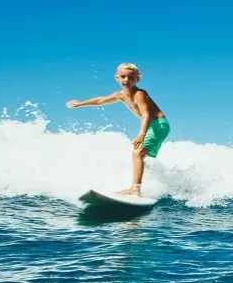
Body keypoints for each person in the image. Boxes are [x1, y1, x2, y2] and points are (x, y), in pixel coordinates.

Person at [66, 63, 171, 197]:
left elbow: (146, 114)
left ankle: (135, 189)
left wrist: (142, 134)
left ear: (137, 80)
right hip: (153, 125)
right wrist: (79, 104)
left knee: (137, 153)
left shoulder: (139, 94)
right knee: (140, 155)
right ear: (117, 78)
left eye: (131, 78)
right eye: (123, 77)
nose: (126, 80)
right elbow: (100, 100)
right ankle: (146, 184)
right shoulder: (120, 95)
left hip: (158, 125)